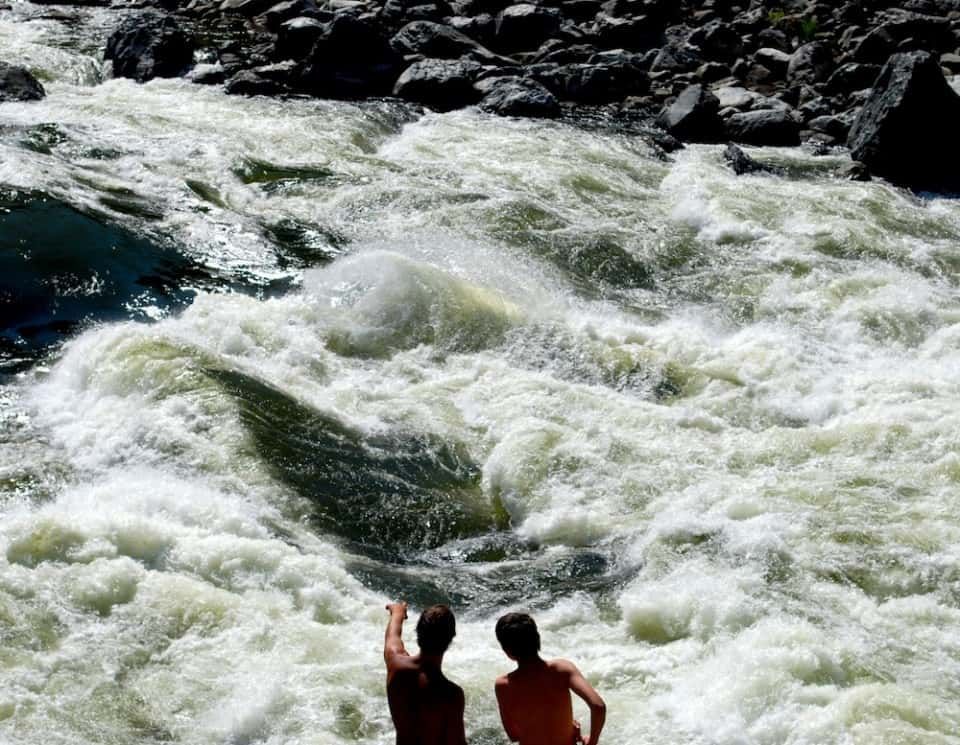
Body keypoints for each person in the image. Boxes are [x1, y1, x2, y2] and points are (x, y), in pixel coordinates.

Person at [493, 613, 606, 745]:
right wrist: (590, 740)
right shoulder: (562, 669)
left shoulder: (503, 685)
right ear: (537, 639)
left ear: (507, 651)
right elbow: (598, 706)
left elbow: (513, 734)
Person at [384, 601, 467, 745]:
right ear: (451, 638)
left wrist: (398, 612)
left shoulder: (396, 665)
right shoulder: (451, 694)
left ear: (418, 632)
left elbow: (392, 636)